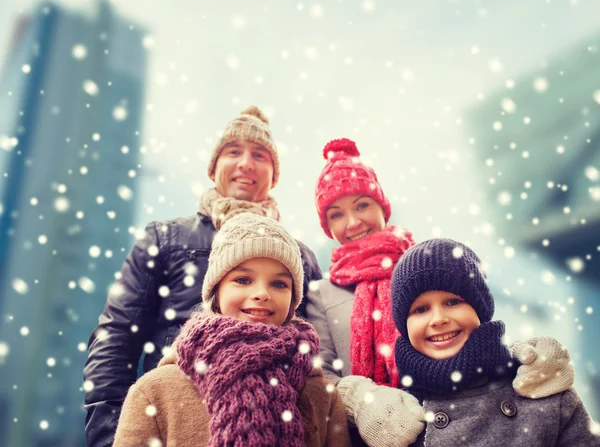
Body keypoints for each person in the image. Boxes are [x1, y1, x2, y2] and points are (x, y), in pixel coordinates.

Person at [307, 138, 576, 447]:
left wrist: (524, 360)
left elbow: (477, 324)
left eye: (362, 205)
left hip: (444, 411)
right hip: (371, 436)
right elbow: (320, 375)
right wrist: (362, 400)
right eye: (337, 214)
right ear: (327, 226)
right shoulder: (322, 294)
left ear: (382, 206)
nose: (353, 222)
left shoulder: (423, 265)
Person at [84, 106, 322, 446]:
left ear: (273, 174)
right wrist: (113, 437)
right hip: (177, 421)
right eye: (233, 151)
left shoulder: (300, 256)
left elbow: (316, 352)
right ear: (214, 168)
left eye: (260, 155)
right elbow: (116, 338)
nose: (245, 163)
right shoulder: (165, 238)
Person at [113, 213, 350, 447]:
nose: (262, 293)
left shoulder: (322, 396)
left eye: (279, 283)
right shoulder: (155, 392)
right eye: (243, 280)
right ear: (217, 292)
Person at [391, 238, 599, 446]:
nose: (438, 319)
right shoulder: (395, 418)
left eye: (453, 302)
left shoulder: (541, 390)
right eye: (420, 309)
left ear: (480, 309)